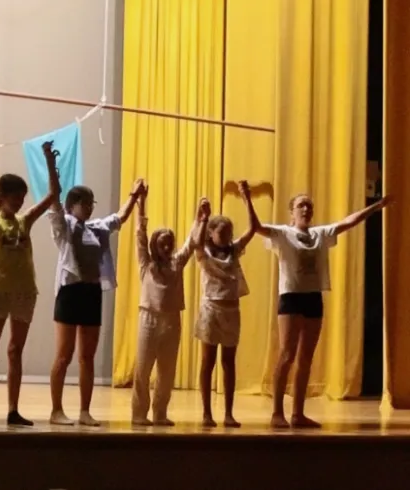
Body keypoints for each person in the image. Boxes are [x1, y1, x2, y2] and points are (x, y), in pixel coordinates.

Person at [251, 192, 392, 428]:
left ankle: (297, 414)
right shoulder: (283, 233)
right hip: (291, 298)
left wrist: (376, 207)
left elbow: (349, 222)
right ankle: (277, 412)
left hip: (313, 298)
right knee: (287, 355)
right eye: (300, 205)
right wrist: (247, 197)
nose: (305, 209)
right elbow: (255, 227)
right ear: (292, 212)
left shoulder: (319, 234)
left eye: (308, 205)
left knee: (306, 359)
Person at [0, 131, 59, 426]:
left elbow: (53, 196)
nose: (20, 203)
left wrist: (48, 160)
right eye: (15, 198)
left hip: (24, 293)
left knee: (15, 350)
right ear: (3, 197)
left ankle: (12, 409)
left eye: (22, 198)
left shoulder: (25, 221)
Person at [48, 176, 143, 426]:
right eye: (85, 202)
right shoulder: (65, 226)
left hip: (91, 293)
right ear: (73, 205)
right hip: (70, 293)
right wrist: (50, 165)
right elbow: (55, 206)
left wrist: (134, 196)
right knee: (63, 355)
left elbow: (119, 218)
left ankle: (84, 411)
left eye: (92, 202)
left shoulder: (97, 228)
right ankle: (56, 410)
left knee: (86, 356)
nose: (90, 207)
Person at [131, 186, 205, 427]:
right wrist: (141, 202)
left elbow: (191, 243)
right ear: (155, 245)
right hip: (148, 319)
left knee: (167, 371)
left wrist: (200, 218)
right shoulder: (146, 264)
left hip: (172, 320)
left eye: (169, 243)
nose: (167, 247)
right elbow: (140, 235)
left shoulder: (177, 263)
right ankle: (139, 414)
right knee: (142, 370)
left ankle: (160, 412)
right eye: (162, 243)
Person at [193, 181, 257, 428]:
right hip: (211, 309)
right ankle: (207, 412)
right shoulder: (204, 253)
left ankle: (229, 413)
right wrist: (202, 217)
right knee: (207, 361)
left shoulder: (234, 250)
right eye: (223, 233)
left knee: (229, 362)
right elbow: (197, 243)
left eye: (230, 232)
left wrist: (247, 199)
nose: (228, 236)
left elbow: (252, 229)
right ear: (211, 233)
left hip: (231, 310)